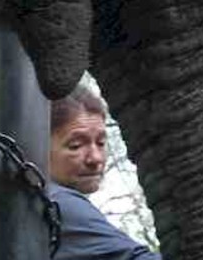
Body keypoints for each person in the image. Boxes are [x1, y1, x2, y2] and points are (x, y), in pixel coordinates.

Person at [48, 86, 161, 260]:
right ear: (39, 145)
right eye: (76, 146)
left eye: (101, 143)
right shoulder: (58, 203)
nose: (95, 158)